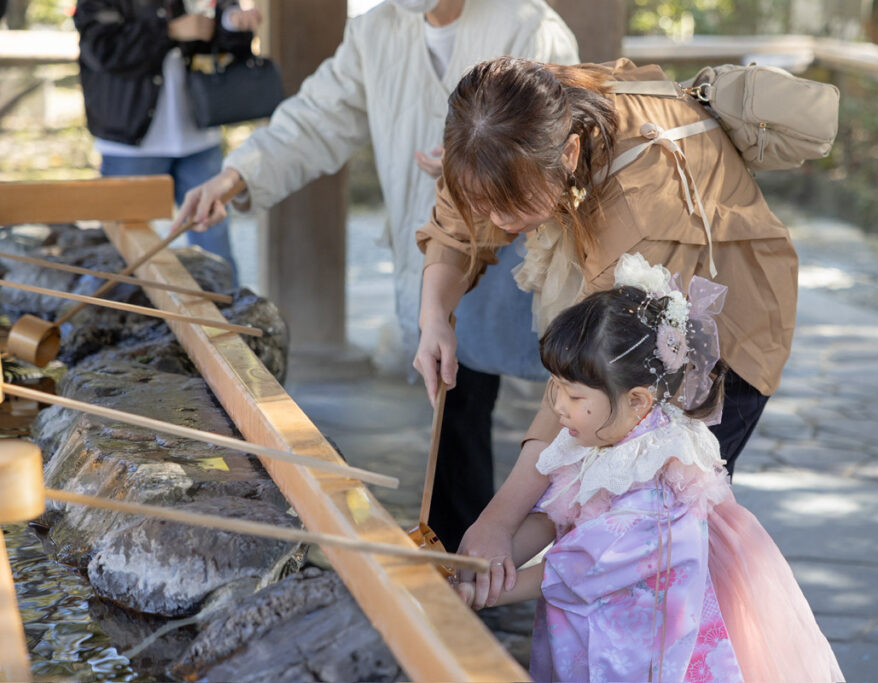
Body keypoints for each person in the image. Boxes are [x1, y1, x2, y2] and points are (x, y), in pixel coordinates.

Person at [175, 0, 578, 550]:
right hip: (435, 247)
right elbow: (316, 116)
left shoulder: (528, 24)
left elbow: (558, 143)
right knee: (452, 404)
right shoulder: (374, 31)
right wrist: (238, 174)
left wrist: (483, 167)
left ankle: (545, 553)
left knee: (564, 400)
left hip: (512, 252)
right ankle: (460, 565)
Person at [415, 56, 798, 601]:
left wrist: (498, 521)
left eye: (512, 206)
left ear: (568, 155)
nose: (497, 224)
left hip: (723, 333)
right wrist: (433, 320)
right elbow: (455, 225)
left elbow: (584, 384)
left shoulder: (640, 203)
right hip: (623, 315)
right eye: (485, 204)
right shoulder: (507, 124)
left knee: (652, 523)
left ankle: (671, 648)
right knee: (586, 490)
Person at [456, 254, 843, 683]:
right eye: (556, 388)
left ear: (638, 399)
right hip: (594, 622)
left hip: (640, 646)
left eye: (573, 394)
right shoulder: (600, 431)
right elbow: (556, 515)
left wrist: (488, 592)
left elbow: (585, 566)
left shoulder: (660, 480)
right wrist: (483, 565)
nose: (558, 408)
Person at [74, 0, 258, 282]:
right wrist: (168, 31)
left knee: (215, 243)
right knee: (124, 252)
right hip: (129, 142)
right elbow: (102, 50)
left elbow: (227, 45)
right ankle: (123, 323)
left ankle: (227, 321)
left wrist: (234, 23)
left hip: (198, 136)